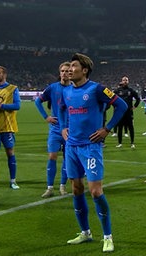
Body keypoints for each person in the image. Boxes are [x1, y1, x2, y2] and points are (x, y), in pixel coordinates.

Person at [59, 53, 127, 253]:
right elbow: (62, 109)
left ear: (84, 70)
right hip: (71, 146)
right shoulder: (67, 91)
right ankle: (85, 233)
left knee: (96, 191)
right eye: (69, 67)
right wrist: (63, 127)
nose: (70, 70)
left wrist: (107, 129)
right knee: (77, 189)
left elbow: (121, 106)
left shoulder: (97, 89)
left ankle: (107, 236)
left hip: (90, 147)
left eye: (73, 66)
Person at [34, 62, 70, 198]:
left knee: (67, 158)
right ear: (59, 73)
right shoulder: (53, 88)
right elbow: (38, 101)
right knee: (52, 156)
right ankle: (50, 188)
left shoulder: (74, 89)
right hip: (55, 129)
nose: (65, 73)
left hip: (69, 130)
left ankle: (62, 185)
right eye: (62, 71)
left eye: (67, 71)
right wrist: (46, 116)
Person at [113, 76, 141, 149]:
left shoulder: (131, 90)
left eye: (126, 80)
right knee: (120, 128)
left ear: (128, 81)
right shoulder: (117, 90)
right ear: (122, 81)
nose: (125, 81)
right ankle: (119, 143)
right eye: (123, 80)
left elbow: (138, 99)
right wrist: (115, 106)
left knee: (131, 127)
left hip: (129, 112)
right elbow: (111, 98)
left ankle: (132, 143)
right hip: (120, 113)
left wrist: (135, 106)